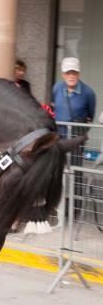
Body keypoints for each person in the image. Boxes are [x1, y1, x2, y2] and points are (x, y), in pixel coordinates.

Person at [52, 56, 96, 219]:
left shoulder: (88, 93)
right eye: (68, 72)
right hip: (59, 138)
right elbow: (54, 108)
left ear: (79, 73)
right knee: (57, 171)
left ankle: (75, 207)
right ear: (63, 74)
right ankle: (57, 204)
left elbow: (90, 116)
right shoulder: (57, 88)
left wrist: (79, 134)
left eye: (74, 72)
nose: (71, 75)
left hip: (76, 139)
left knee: (76, 172)